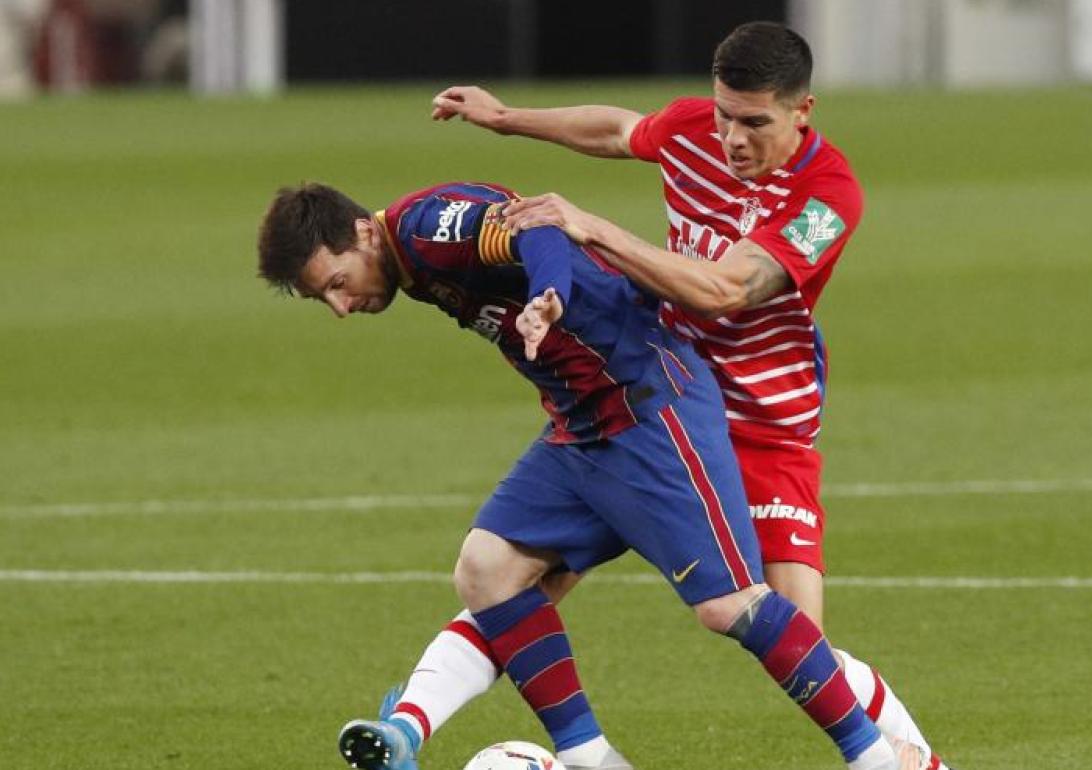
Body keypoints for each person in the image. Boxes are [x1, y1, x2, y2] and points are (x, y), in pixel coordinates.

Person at [429, 21, 950, 770]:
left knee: (798, 642)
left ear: (803, 110)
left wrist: (590, 229)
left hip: (763, 425)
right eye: (722, 117)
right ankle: (415, 727)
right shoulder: (698, 131)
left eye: (755, 123)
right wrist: (507, 119)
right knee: (503, 572)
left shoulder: (827, 196)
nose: (732, 139)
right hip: (660, 404)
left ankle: (913, 760)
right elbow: (620, 130)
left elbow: (727, 289)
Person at [256, 181, 911, 770]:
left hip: (649, 404)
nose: (341, 306)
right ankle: (587, 756)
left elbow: (535, 223)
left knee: (729, 605)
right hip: (582, 426)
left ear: (363, 233)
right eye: (325, 299)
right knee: (486, 569)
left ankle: (876, 759)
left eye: (337, 282)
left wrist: (550, 296)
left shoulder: (427, 229)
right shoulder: (409, 259)